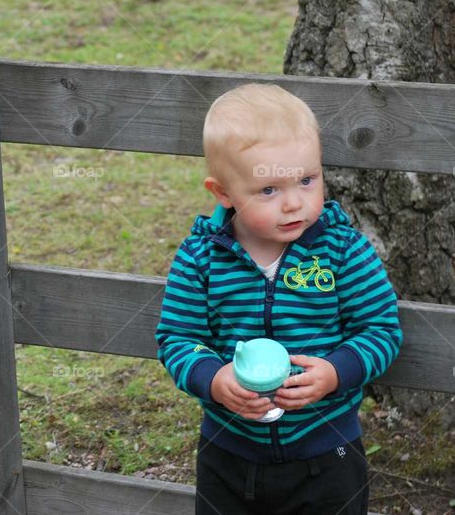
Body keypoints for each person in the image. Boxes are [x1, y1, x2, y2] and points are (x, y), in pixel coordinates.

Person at [155, 82, 403, 514]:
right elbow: (178, 337)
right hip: (228, 453)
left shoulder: (342, 251)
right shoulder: (201, 258)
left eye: (307, 180)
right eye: (269, 190)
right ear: (223, 193)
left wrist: (334, 372)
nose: (294, 204)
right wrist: (213, 379)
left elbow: (380, 330)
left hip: (328, 454)